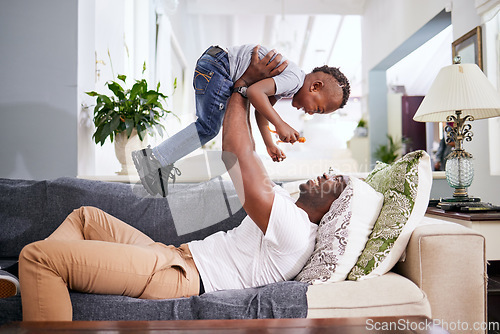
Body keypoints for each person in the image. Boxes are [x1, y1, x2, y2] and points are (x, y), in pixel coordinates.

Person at [13, 53, 348, 322]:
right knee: (86, 217)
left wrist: (243, 84)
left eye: (333, 181)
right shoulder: (288, 210)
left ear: (333, 206)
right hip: (174, 256)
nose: (325, 175)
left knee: (38, 258)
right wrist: (255, 105)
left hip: (177, 275)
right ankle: (28, 289)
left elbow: (234, 152)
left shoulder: (296, 228)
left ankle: (34, 280)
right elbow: (248, 144)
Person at [132, 44, 351, 197]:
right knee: (208, 128)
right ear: (315, 86)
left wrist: (269, 143)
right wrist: (280, 124)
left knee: (207, 127)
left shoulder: (288, 82)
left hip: (214, 64)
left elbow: (260, 110)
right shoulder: (293, 78)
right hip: (220, 68)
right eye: (318, 108)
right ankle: (154, 159)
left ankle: (157, 160)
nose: (311, 113)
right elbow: (255, 92)